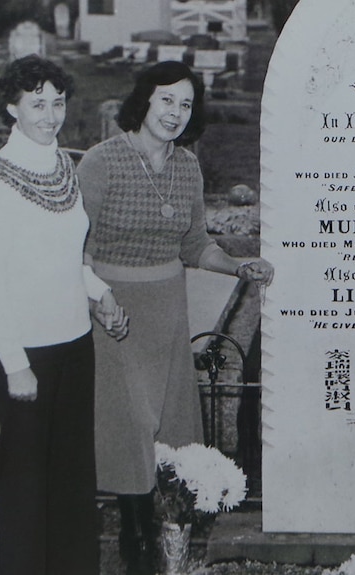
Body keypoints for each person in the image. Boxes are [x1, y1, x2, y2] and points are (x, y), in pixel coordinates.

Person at [77, 60, 273, 574]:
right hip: (113, 317)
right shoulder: (102, 162)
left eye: (185, 104)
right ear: (144, 100)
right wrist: (100, 301)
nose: (175, 112)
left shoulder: (187, 166)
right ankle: (134, 543)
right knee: (129, 432)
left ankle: (166, 544)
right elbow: (75, 249)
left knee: (165, 436)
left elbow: (195, 245)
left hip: (168, 313)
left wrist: (236, 266)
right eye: (166, 99)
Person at [0, 54, 126, 575]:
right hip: (26, 355)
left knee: (73, 485)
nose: (50, 115)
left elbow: (63, 259)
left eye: (58, 102)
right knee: (27, 490)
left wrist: (100, 294)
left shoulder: (62, 166)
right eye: (37, 103)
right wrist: (14, 363)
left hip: (75, 344)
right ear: (12, 108)